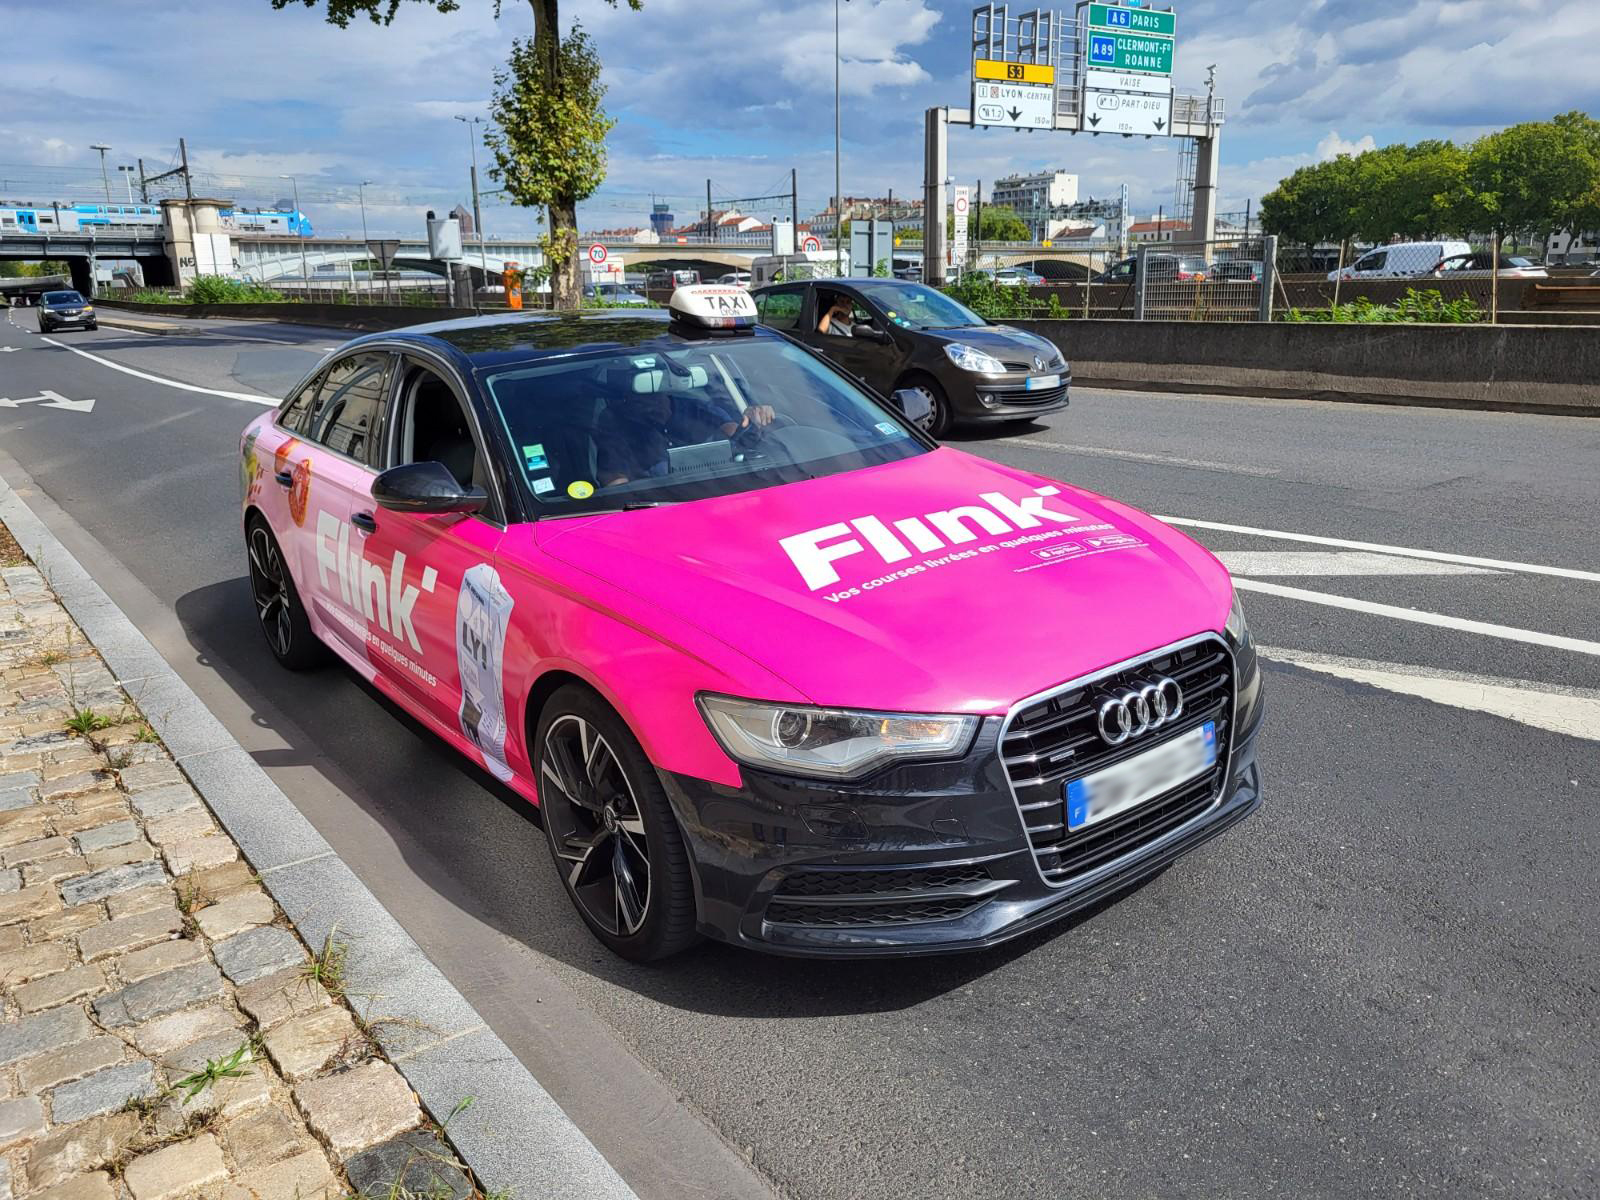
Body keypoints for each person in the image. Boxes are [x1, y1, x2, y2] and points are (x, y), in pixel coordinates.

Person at [595, 380, 775, 486]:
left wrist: (754, 423)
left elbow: (736, 435)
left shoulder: (697, 409)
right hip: (655, 504)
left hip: (719, 486)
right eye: (639, 401)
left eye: (654, 396)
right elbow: (614, 482)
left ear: (664, 391)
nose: (649, 404)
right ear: (627, 401)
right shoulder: (614, 425)